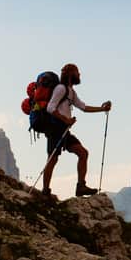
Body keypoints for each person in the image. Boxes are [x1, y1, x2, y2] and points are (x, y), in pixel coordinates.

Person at [41, 63, 112, 198]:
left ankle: (81, 186)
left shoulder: (71, 92)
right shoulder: (61, 89)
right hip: (55, 129)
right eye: (77, 72)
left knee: (83, 153)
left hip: (64, 130)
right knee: (52, 159)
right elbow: (50, 108)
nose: (79, 75)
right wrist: (65, 120)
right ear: (70, 74)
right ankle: (45, 191)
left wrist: (102, 109)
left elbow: (83, 107)